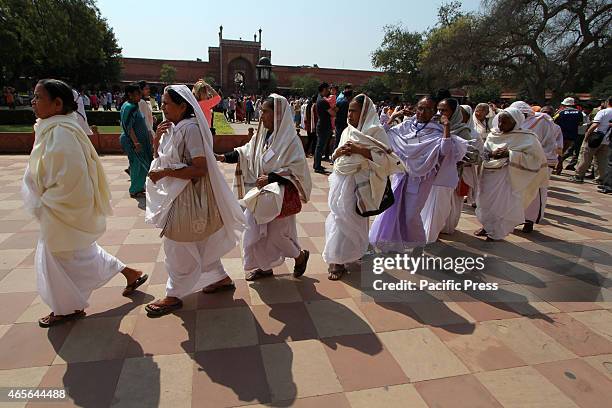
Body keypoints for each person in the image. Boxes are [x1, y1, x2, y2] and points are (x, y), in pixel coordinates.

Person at [23, 79, 147, 328]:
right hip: (58, 210)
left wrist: (46, 202)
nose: (33, 102)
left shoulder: (60, 132)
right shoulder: (54, 127)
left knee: (59, 259)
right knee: (79, 255)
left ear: (57, 104)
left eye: (38, 97)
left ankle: (68, 308)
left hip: (61, 210)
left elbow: (72, 178)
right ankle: (128, 273)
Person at [145, 85, 245, 316]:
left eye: (167, 103)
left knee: (176, 245)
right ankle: (220, 278)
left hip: (188, 197)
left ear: (182, 106)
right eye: (162, 103)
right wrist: (156, 140)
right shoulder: (172, 127)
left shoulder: (190, 129)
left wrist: (164, 174)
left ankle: (174, 294)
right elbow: (163, 159)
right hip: (179, 195)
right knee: (198, 243)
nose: (162, 107)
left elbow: (200, 168)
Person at [216, 94, 311, 281]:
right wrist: (224, 157)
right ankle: (264, 267)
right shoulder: (261, 134)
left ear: (278, 115)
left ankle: (300, 256)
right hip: (259, 195)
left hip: (279, 196)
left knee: (277, 236)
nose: (261, 116)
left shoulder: (290, 140)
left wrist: (272, 178)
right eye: (261, 111)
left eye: (265, 112)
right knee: (254, 233)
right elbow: (246, 152)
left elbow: (296, 169)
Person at [323, 94, 404, 280]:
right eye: (349, 110)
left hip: (363, 184)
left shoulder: (376, 131)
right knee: (338, 218)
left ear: (365, 111)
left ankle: (344, 257)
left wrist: (360, 151)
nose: (349, 114)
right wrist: (337, 153)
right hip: (341, 181)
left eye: (353, 111)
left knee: (354, 220)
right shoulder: (347, 131)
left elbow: (386, 159)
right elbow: (337, 156)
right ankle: (337, 259)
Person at [369, 96, 462, 253]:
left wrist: (446, 126)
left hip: (422, 178)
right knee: (394, 209)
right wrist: (393, 117)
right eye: (420, 107)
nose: (422, 112)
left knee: (411, 214)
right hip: (401, 175)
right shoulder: (407, 126)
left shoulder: (437, 130)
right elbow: (383, 135)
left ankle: (418, 244)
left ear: (434, 112)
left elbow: (445, 150)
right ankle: (394, 243)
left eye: (427, 109)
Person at [475, 107, 548, 241]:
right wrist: (491, 154)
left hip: (509, 177)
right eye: (500, 122)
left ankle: (496, 232)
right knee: (485, 202)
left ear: (516, 122)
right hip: (489, 174)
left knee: (502, 205)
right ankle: (487, 226)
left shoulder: (528, 138)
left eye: (506, 122)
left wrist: (510, 154)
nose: (501, 125)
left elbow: (535, 159)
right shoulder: (493, 135)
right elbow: (484, 153)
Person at [419, 98, 469, 243]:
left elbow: (466, 154)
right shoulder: (431, 127)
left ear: (454, 112)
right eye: (438, 110)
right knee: (426, 207)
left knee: (439, 208)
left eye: (444, 110)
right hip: (428, 174)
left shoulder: (462, 131)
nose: (440, 113)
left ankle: (431, 235)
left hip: (446, 176)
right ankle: (425, 234)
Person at [511, 101, 560, 230]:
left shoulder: (542, 120)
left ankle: (529, 221)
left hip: (539, 161)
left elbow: (549, 141)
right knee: (517, 191)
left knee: (535, 192)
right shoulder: (514, 123)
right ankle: (515, 218)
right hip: (519, 162)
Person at [120, 83, 154, 198]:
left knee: (139, 165)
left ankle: (138, 188)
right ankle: (134, 189)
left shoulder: (132, 106)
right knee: (137, 166)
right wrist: (136, 142)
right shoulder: (130, 107)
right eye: (137, 94)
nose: (139, 96)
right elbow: (128, 128)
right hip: (134, 142)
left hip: (139, 141)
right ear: (130, 95)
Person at [575, 97, 612, 185]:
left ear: (608, 102)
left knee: (586, 157)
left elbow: (595, 125)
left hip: (595, 138)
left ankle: (579, 175)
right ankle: (600, 178)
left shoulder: (603, 112)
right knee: (602, 160)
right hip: (607, 140)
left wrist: (587, 135)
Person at [554, 97, 584, 173]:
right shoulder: (579, 113)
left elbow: (554, 121)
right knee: (563, 151)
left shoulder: (561, 112)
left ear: (564, 104)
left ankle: (558, 166)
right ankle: (558, 166)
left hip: (561, 135)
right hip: (572, 136)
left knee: (558, 152)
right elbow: (581, 124)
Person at [314, 82, 333, 174]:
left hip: (322, 125)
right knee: (320, 147)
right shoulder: (323, 101)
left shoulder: (319, 99)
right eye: (328, 89)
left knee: (319, 146)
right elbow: (332, 113)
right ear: (324, 89)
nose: (329, 91)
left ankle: (317, 164)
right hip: (324, 126)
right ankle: (317, 166)